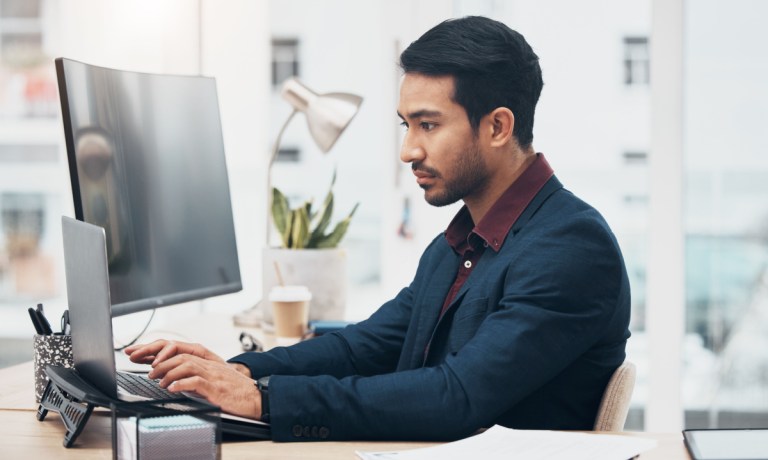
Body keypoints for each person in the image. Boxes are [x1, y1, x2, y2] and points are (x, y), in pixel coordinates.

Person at [126, 16, 630, 442]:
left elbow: (458, 397)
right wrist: (240, 371)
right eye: (405, 125)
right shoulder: (459, 244)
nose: (408, 150)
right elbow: (364, 346)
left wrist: (262, 399)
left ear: (497, 127)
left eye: (428, 125)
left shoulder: (571, 248)